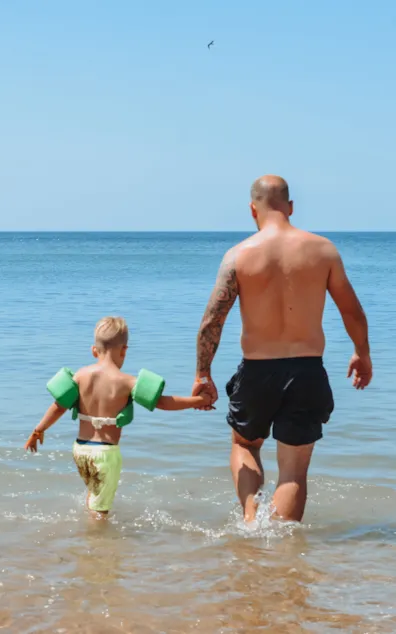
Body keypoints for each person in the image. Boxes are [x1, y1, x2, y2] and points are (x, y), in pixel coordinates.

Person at [192, 175, 372, 523]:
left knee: (245, 445)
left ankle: (251, 519)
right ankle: (281, 551)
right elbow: (352, 310)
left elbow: (212, 322)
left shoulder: (238, 256)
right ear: (290, 207)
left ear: (252, 209)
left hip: (257, 370)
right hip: (307, 371)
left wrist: (203, 374)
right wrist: (361, 352)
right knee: (292, 473)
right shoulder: (323, 251)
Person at [25, 316, 208, 519]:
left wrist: (38, 430)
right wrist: (197, 400)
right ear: (124, 350)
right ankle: (97, 546)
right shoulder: (127, 382)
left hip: (80, 450)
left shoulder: (80, 376)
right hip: (105, 454)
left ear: (94, 350)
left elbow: (59, 406)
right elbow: (163, 403)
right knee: (100, 511)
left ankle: (86, 541)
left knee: (94, 495)